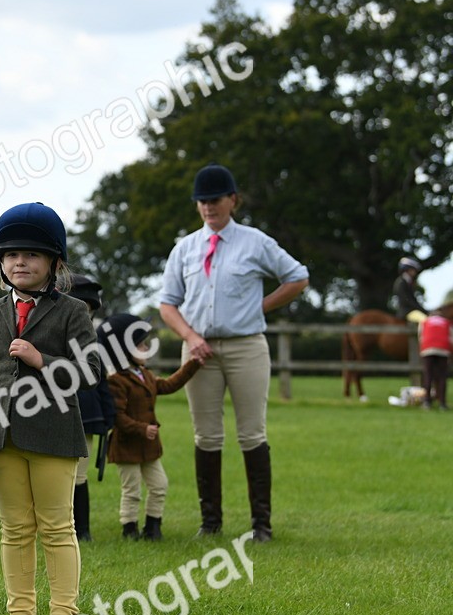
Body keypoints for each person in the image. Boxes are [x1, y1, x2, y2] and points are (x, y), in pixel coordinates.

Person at [0, 202, 99, 615]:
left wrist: (42, 360)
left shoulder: (74, 311)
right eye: (12, 255)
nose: (21, 262)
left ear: (54, 263)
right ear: (0, 261)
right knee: (15, 529)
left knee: (57, 527)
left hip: (55, 434)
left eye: (32, 255)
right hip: (1, 438)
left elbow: (91, 371)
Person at [158, 163, 309, 543]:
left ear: (233, 200)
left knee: (251, 432)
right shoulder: (185, 249)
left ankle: (262, 525)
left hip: (246, 347)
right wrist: (190, 337)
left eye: (215, 200)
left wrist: (261, 306)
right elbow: (167, 305)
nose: (208, 207)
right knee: (206, 436)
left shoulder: (256, 242)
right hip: (199, 352)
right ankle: (210, 523)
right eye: (202, 201)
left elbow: (298, 276)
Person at [101, 313, 200, 541]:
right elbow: (117, 417)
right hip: (127, 445)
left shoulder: (145, 375)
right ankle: (129, 528)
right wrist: (141, 428)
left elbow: (167, 385)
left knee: (159, 485)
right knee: (132, 490)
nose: (147, 348)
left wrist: (192, 364)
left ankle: (153, 527)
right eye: (141, 345)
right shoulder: (117, 380)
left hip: (148, 446)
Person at [66, 273, 114, 543]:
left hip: (86, 418)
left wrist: (109, 416)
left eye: (89, 312)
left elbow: (103, 381)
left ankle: (81, 530)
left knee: (79, 476)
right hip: (54, 417)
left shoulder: (94, 344)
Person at [419, 313, 450, 410]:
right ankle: (442, 403)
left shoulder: (425, 321)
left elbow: (420, 336)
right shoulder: (447, 322)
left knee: (428, 375)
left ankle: (427, 402)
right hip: (443, 349)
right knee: (442, 376)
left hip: (428, 348)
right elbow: (451, 337)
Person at [393, 257, 427, 323]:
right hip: (406, 311)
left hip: (411, 311)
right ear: (407, 269)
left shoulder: (408, 282)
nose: (415, 272)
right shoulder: (401, 282)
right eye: (413, 269)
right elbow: (406, 300)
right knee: (425, 320)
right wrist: (421, 310)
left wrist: (424, 310)